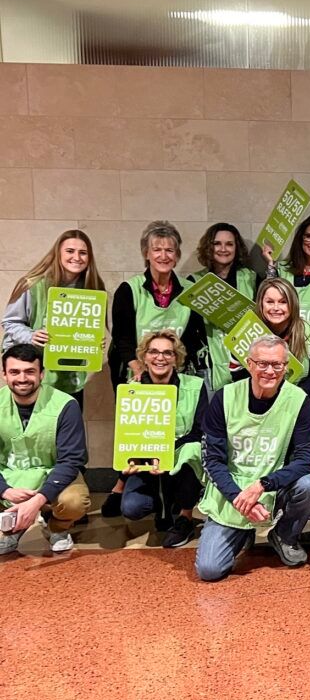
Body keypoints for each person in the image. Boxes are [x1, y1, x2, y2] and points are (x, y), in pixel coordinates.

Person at [195, 334, 310, 582]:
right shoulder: (224, 398)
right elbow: (212, 461)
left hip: (272, 486)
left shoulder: (298, 399)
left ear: (286, 367)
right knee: (209, 570)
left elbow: (307, 458)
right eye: (262, 363)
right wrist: (240, 499)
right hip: (233, 491)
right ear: (249, 364)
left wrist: (262, 485)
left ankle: (284, 534)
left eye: (277, 364)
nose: (270, 371)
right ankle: (242, 532)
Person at [106, 220, 203, 518]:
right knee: (140, 434)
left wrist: (176, 367)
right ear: (146, 254)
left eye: (169, 250)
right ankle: (127, 486)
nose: (163, 255)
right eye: (156, 249)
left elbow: (193, 335)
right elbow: (121, 336)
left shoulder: (189, 290)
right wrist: (138, 366)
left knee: (178, 433)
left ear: (177, 255)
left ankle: (175, 496)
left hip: (174, 374)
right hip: (136, 373)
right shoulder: (129, 289)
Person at [119, 330, 208, 549]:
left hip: (182, 461)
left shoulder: (195, 386)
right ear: (144, 357)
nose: (160, 358)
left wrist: (165, 453)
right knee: (132, 508)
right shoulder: (131, 390)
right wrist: (132, 464)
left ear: (176, 358)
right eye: (154, 352)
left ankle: (185, 516)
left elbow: (200, 431)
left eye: (168, 353)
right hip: (146, 464)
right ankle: (163, 506)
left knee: (193, 449)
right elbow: (126, 435)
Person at [0, 344, 90, 555]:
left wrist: (38, 499)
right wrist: (4, 490)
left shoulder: (66, 404)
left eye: (30, 371)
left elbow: (71, 460)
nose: (22, 378)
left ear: (41, 374)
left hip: (53, 474)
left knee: (74, 502)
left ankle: (57, 529)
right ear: (4, 375)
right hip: (9, 476)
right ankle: (12, 528)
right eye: (15, 372)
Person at [3, 230, 106, 404]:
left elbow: (84, 330)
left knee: (68, 419)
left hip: (71, 376)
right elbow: (10, 322)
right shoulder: (33, 284)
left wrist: (94, 342)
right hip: (32, 373)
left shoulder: (93, 288)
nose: (77, 257)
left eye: (83, 253)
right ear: (58, 253)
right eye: (70, 251)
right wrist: (31, 336)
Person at [231, 278, 310, 397]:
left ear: (293, 304)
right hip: (256, 398)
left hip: (297, 400)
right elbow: (236, 370)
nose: (276, 308)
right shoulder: (247, 331)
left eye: (283, 302)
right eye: (270, 302)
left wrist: (294, 397)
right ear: (261, 303)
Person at [189, 223, 258, 391]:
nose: (223, 249)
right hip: (209, 367)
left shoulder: (251, 278)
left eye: (229, 244)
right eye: (217, 244)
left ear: (237, 248)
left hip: (247, 364)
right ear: (209, 247)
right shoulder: (195, 282)